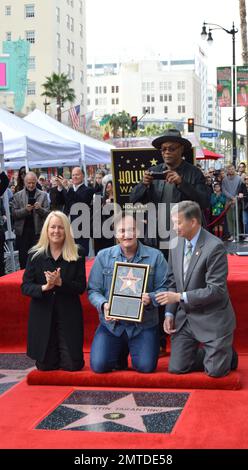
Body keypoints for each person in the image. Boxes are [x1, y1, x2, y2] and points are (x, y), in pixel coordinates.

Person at [156, 201, 237, 378]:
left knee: (215, 372)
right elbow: (172, 281)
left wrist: (178, 297)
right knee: (176, 368)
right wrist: (169, 314)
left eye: (178, 222)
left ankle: (226, 354)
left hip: (212, 317)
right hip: (186, 319)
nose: (174, 227)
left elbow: (216, 290)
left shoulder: (214, 247)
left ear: (193, 222)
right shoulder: (176, 243)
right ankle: (215, 353)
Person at [88, 212, 168, 373]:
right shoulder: (103, 256)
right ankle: (120, 352)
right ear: (116, 233)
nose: (127, 234)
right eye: (122, 230)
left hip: (143, 325)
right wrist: (103, 304)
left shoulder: (156, 256)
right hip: (112, 325)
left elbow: (166, 288)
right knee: (99, 366)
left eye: (131, 230)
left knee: (145, 367)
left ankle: (127, 350)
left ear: (138, 231)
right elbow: (93, 290)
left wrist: (151, 298)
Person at [21, 211, 86, 371]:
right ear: (46, 230)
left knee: (72, 366)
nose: (56, 231)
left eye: (61, 227)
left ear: (66, 231)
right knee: (45, 366)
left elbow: (80, 287)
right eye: (53, 227)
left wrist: (60, 283)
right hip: (43, 315)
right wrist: (44, 287)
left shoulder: (77, 254)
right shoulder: (35, 255)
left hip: (68, 314)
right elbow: (25, 286)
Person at [130, 129, 210, 254]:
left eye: (172, 149)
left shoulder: (194, 173)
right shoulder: (153, 171)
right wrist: (143, 184)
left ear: (181, 149)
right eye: (163, 149)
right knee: (158, 271)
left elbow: (204, 202)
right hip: (156, 236)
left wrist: (181, 183)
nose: (167, 152)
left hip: (184, 235)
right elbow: (133, 199)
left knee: (182, 272)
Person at [12, 172, 50, 269]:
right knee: (23, 258)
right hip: (22, 232)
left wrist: (39, 209)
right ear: (24, 182)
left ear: (36, 182)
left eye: (33, 182)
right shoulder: (17, 195)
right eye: (29, 183)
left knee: (38, 257)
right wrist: (25, 210)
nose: (31, 185)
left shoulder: (43, 195)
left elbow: (48, 213)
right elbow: (14, 214)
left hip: (38, 232)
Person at [55, 167, 94, 256]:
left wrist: (68, 188)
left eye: (77, 174)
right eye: (73, 175)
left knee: (81, 254)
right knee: (68, 254)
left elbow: (80, 202)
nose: (75, 177)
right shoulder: (68, 189)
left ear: (83, 176)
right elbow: (58, 202)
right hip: (67, 226)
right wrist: (60, 187)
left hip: (81, 227)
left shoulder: (88, 190)